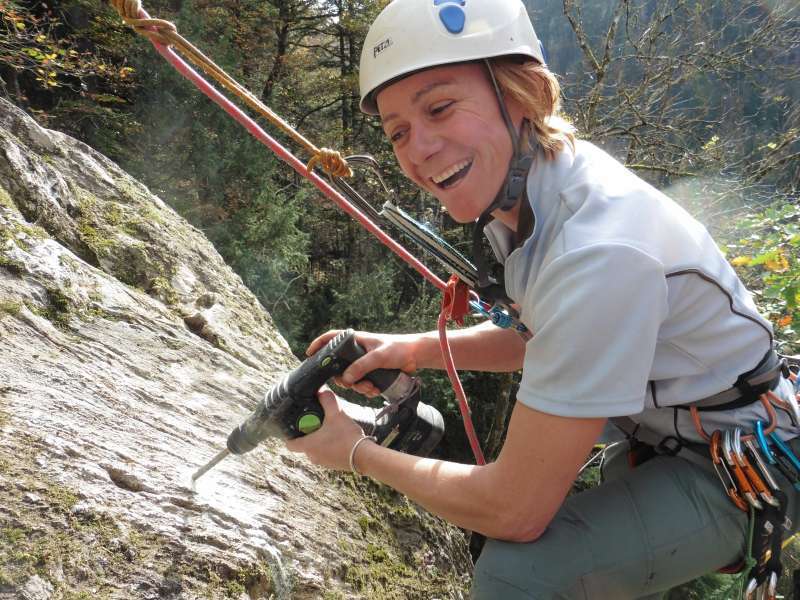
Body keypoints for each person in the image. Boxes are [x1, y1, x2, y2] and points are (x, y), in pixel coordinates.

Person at [285, 0, 800, 597]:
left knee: (517, 572)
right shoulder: (538, 190)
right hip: (677, 434)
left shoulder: (598, 250)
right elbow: (547, 336)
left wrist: (354, 452)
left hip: (739, 463)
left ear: (521, 93)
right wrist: (414, 349)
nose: (418, 148)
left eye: (440, 107)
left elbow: (514, 510)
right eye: (397, 132)